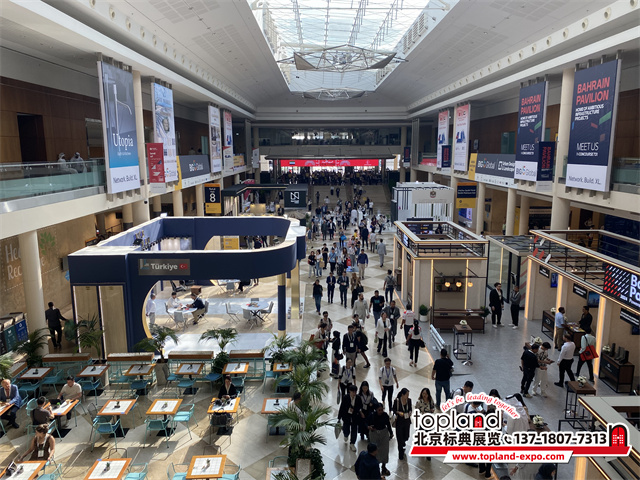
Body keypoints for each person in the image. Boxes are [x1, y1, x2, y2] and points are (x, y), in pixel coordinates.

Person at [368, 405, 392, 476]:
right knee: (375, 451)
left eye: (382, 410)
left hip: (384, 433)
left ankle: (384, 467)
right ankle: (375, 467)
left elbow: (388, 424)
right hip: (374, 434)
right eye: (379, 410)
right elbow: (366, 423)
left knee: (385, 450)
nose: (381, 411)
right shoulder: (372, 415)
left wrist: (391, 433)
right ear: (376, 410)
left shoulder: (385, 415)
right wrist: (369, 427)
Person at [338, 384, 362, 451]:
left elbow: (360, 406)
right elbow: (342, 407)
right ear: (350, 391)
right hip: (346, 416)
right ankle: (346, 435)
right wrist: (339, 417)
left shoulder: (358, 398)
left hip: (355, 417)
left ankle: (352, 443)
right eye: (353, 392)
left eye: (355, 392)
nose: (354, 393)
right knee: (346, 429)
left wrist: (354, 410)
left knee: (354, 430)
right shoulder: (345, 397)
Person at [392, 388, 412, 460]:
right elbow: (393, 409)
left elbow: (410, 409)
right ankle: (400, 453)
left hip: (407, 421)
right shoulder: (397, 401)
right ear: (402, 395)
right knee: (399, 438)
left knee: (406, 436)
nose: (408, 396)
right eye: (407, 394)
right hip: (399, 422)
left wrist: (410, 412)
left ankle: (403, 442)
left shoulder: (409, 400)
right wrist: (398, 412)